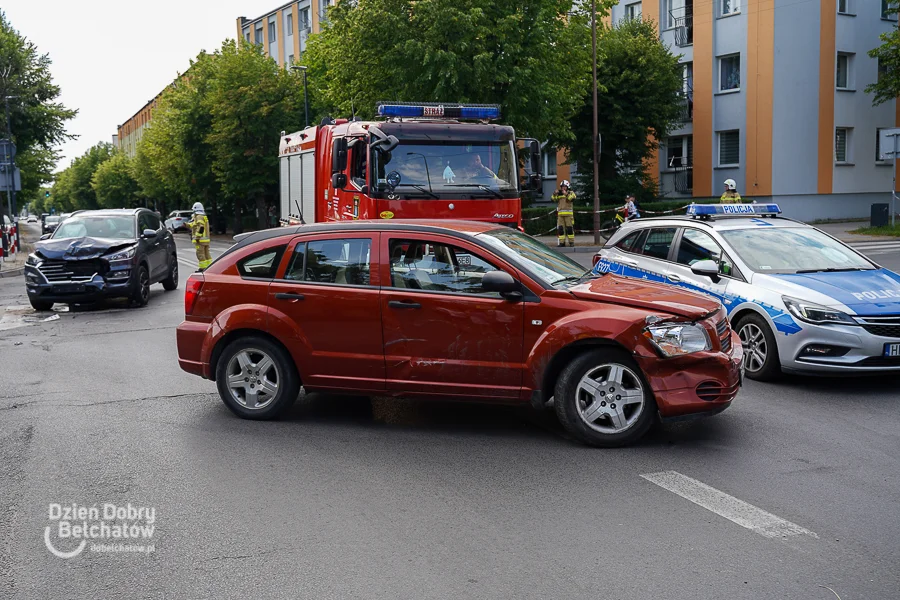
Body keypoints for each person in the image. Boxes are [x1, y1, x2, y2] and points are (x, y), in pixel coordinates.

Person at [552, 180, 576, 247]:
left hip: (568, 215)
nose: (563, 188)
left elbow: (572, 199)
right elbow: (553, 199)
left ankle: (571, 242)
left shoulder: (571, 192)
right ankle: (562, 243)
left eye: (564, 186)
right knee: (560, 229)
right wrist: (554, 193)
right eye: (562, 187)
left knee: (569, 229)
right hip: (560, 215)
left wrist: (566, 194)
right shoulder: (559, 194)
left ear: (567, 187)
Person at [188, 202, 211, 270]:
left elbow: (201, 227)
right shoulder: (203, 216)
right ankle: (209, 267)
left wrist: (197, 237)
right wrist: (187, 225)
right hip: (206, 240)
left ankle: (202, 268)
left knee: (200, 254)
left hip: (200, 240)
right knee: (207, 254)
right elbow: (195, 225)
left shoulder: (198, 216)